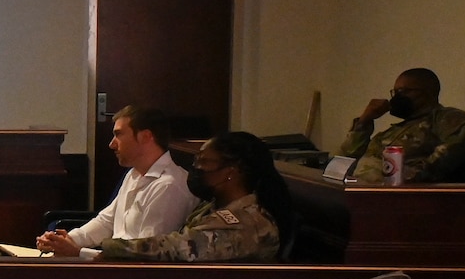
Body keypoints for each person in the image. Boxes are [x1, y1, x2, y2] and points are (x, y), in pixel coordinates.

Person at [98, 132, 292, 262]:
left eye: (204, 162)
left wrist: (106, 248)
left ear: (230, 172)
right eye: (197, 160)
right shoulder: (212, 207)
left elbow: (179, 248)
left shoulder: (246, 223)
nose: (196, 168)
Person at [36, 104, 197, 258]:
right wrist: (65, 241)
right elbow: (106, 221)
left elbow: (145, 256)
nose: (112, 144)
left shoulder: (169, 186)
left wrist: (78, 253)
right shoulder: (134, 174)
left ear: (146, 136)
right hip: (114, 266)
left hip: (131, 278)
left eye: (119, 134)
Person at [337, 68, 465, 184]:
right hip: (357, 192)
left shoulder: (447, 118)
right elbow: (345, 158)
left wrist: (404, 179)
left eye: (404, 91)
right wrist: (364, 121)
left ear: (429, 93)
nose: (396, 97)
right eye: (395, 91)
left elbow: (453, 150)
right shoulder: (394, 131)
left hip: (398, 199)